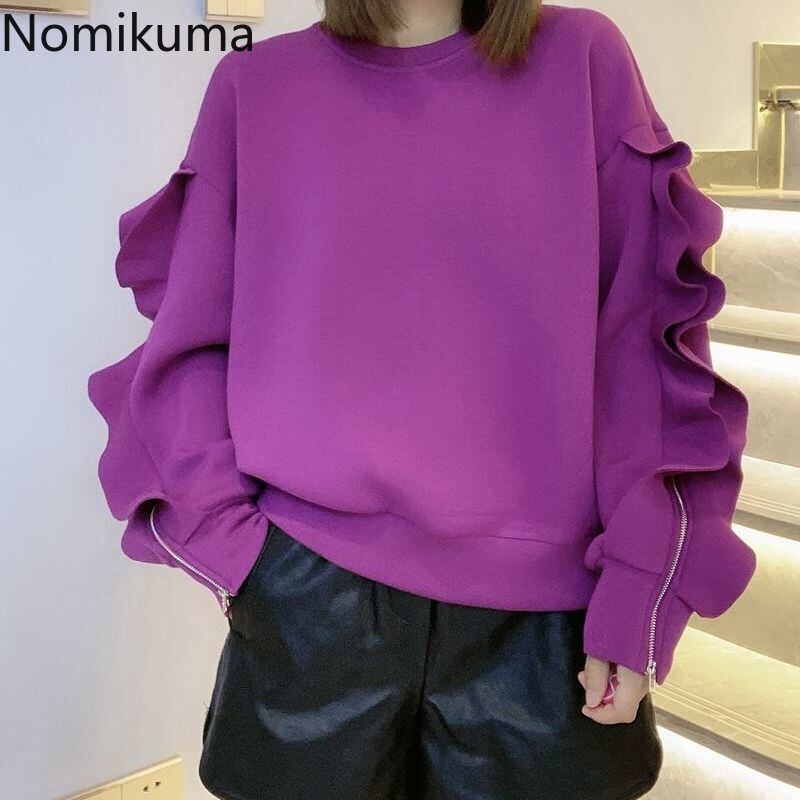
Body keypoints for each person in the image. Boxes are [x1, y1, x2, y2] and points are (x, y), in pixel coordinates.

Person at [87, 2, 757, 798]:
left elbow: (645, 355)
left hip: (548, 627)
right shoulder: (255, 86)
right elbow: (190, 341)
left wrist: (639, 589)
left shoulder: (583, 60)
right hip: (307, 602)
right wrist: (241, 554)